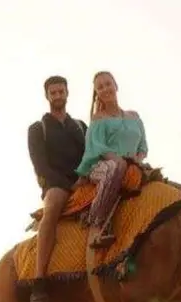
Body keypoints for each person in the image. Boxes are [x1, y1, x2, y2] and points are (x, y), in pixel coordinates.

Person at [27, 75, 89, 302]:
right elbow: (40, 166)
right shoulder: (37, 129)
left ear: (67, 93)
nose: (58, 96)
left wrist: (85, 177)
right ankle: (39, 278)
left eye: (61, 91)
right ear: (47, 96)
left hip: (85, 180)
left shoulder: (81, 126)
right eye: (53, 93)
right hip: (57, 184)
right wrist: (68, 184)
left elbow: (92, 154)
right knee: (52, 206)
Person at [75, 71, 149, 249]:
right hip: (100, 165)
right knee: (114, 168)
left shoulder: (134, 117)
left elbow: (143, 146)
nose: (105, 89)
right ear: (97, 93)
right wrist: (118, 160)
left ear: (116, 86)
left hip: (132, 164)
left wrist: (137, 160)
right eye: (100, 87)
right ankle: (97, 222)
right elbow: (96, 147)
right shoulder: (98, 119)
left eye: (108, 84)